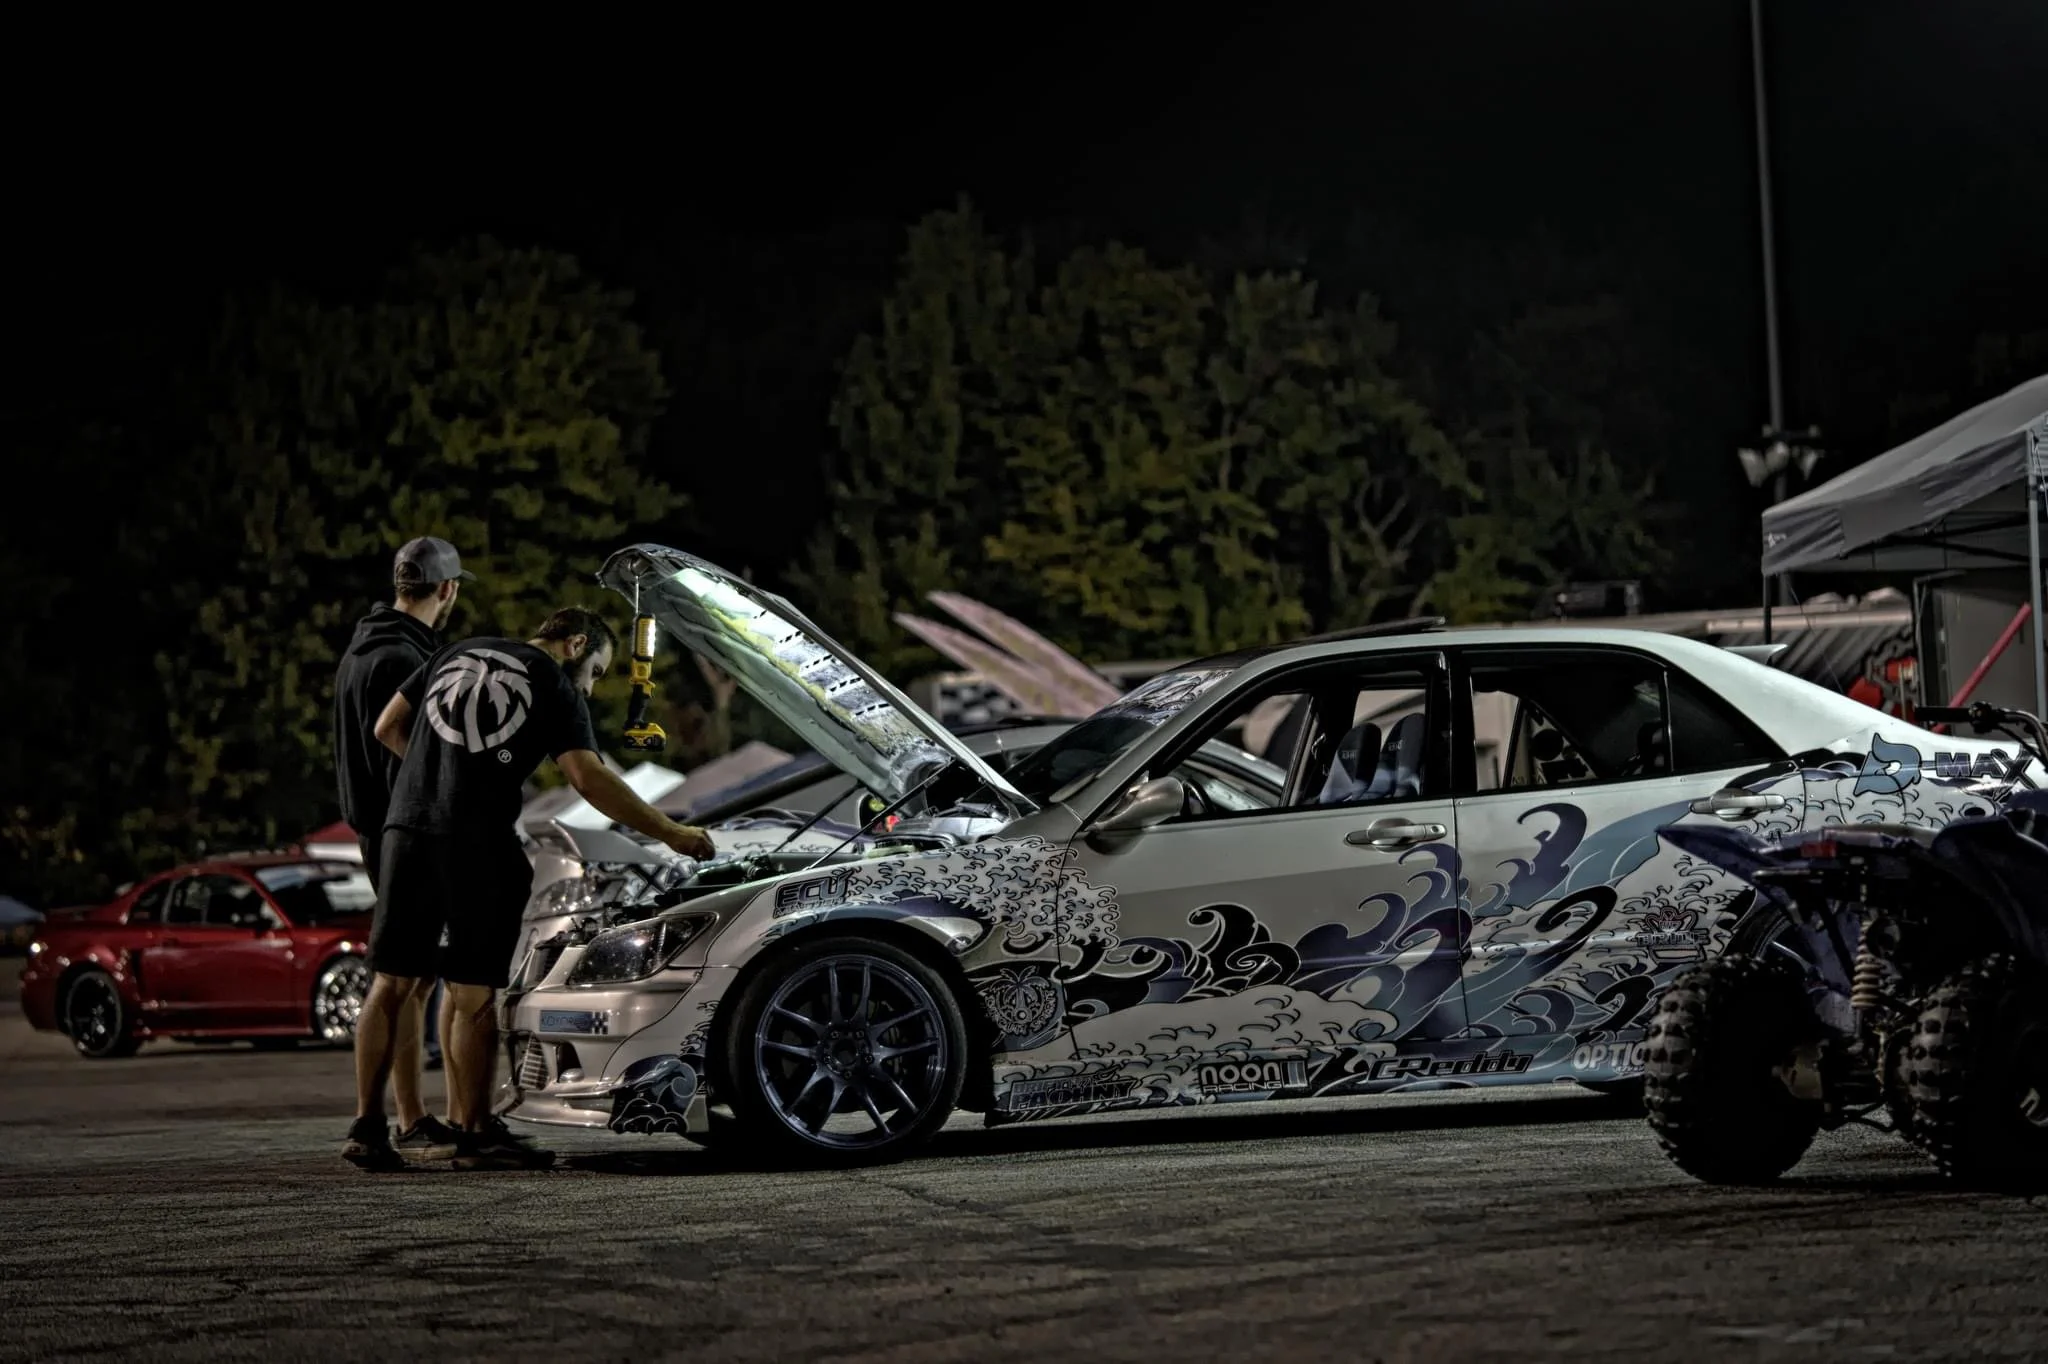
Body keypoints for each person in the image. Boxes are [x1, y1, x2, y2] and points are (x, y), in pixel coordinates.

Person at [347, 606, 717, 1171]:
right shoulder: (552, 682)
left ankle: (367, 1129)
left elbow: (387, 727)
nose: (589, 688)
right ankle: (476, 1135)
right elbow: (588, 777)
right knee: (473, 994)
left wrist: (439, 775)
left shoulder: (454, 651)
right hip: (476, 841)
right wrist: (673, 832)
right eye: (595, 672)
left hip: (406, 828)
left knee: (390, 982)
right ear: (576, 644)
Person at [333, 536, 472, 1170]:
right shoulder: (405, 658)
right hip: (406, 832)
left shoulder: (361, 650)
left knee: (411, 980)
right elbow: (419, 753)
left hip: (377, 829)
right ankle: (368, 1124)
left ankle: (411, 1118)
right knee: (395, 979)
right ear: (447, 589)